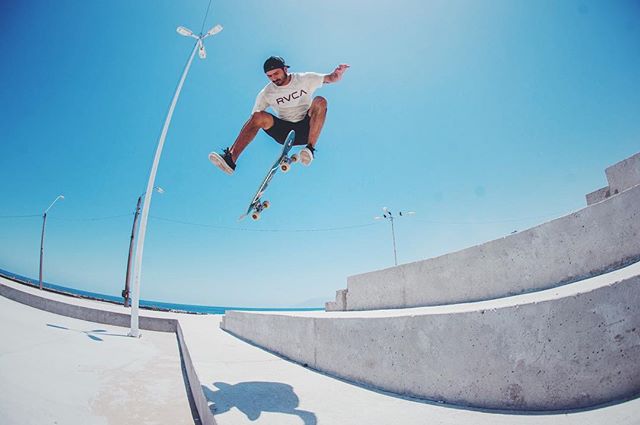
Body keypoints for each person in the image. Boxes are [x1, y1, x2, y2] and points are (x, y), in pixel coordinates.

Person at [209, 56, 350, 175]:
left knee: (320, 101)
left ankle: (310, 149)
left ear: (285, 69)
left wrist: (338, 73)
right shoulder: (267, 93)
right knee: (258, 116)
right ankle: (231, 159)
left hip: (306, 128)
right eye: (269, 76)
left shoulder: (304, 79)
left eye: (276, 74)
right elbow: (253, 121)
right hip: (284, 132)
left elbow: (331, 78)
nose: (274, 79)